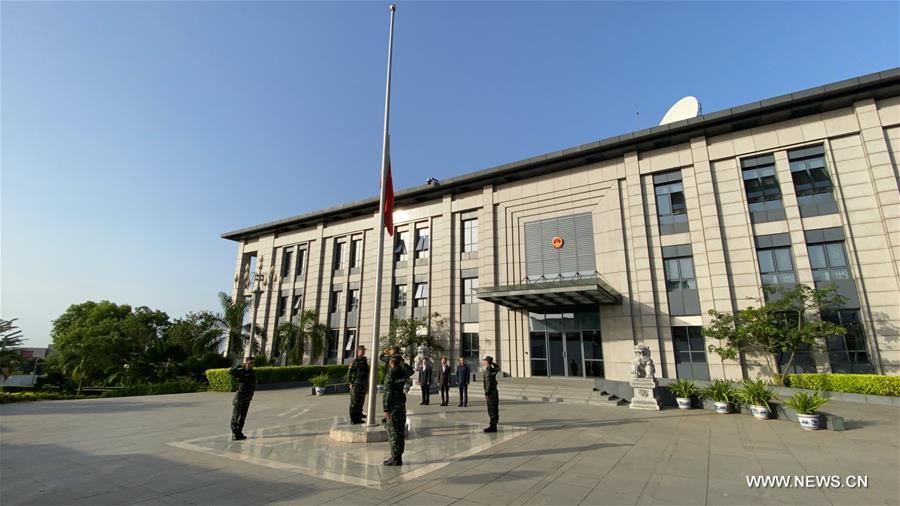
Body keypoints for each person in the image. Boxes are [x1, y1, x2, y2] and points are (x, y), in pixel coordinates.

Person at [383, 356, 414, 466]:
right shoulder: (402, 373)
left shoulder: (390, 374)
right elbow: (411, 370)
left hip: (393, 407)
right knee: (400, 432)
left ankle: (395, 457)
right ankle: (399, 456)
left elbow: (387, 393)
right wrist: (403, 363)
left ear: (391, 363)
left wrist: (386, 409)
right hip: (401, 406)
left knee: (393, 432)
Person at [228, 356, 257, 441]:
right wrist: (239, 366)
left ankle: (239, 432)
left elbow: (253, 385)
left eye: (253, 363)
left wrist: (251, 395)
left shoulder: (253, 373)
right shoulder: (241, 371)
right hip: (240, 396)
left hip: (247, 397)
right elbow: (230, 371)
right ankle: (234, 433)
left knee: (243, 416)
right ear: (246, 363)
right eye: (250, 362)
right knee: (236, 415)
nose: (252, 364)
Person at [346, 345, 369, 424]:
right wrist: (350, 383)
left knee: (361, 401)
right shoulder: (354, 362)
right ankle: (353, 419)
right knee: (354, 402)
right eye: (362, 350)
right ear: (358, 351)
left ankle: (358, 417)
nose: (363, 352)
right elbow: (349, 373)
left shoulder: (364, 360)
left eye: (364, 351)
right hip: (356, 384)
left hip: (363, 384)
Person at [482, 356, 500, 432]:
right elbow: (498, 367)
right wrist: (492, 363)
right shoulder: (493, 369)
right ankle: (494, 425)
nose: (483, 362)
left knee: (491, 410)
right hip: (495, 392)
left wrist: (486, 393)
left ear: (487, 362)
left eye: (485, 360)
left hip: (490, 393)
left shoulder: (487, 371)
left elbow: (488, 383)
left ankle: (492, 427)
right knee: (495, 409)